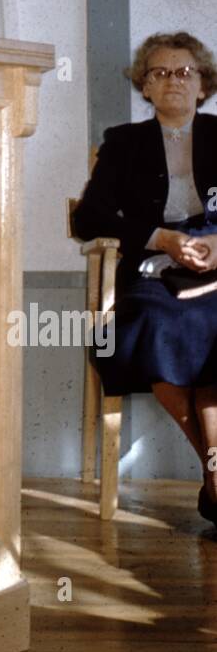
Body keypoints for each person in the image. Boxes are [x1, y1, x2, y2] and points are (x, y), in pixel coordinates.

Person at [72, 32, 217, 527]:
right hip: (153, 271)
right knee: (154, 323)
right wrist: (161, 238)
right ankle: (216, 475)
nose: (172, 81)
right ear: (145, 87)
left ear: (202, 86)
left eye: (184, 72)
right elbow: (87, 219)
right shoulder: (123, 143)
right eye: (159, 73)